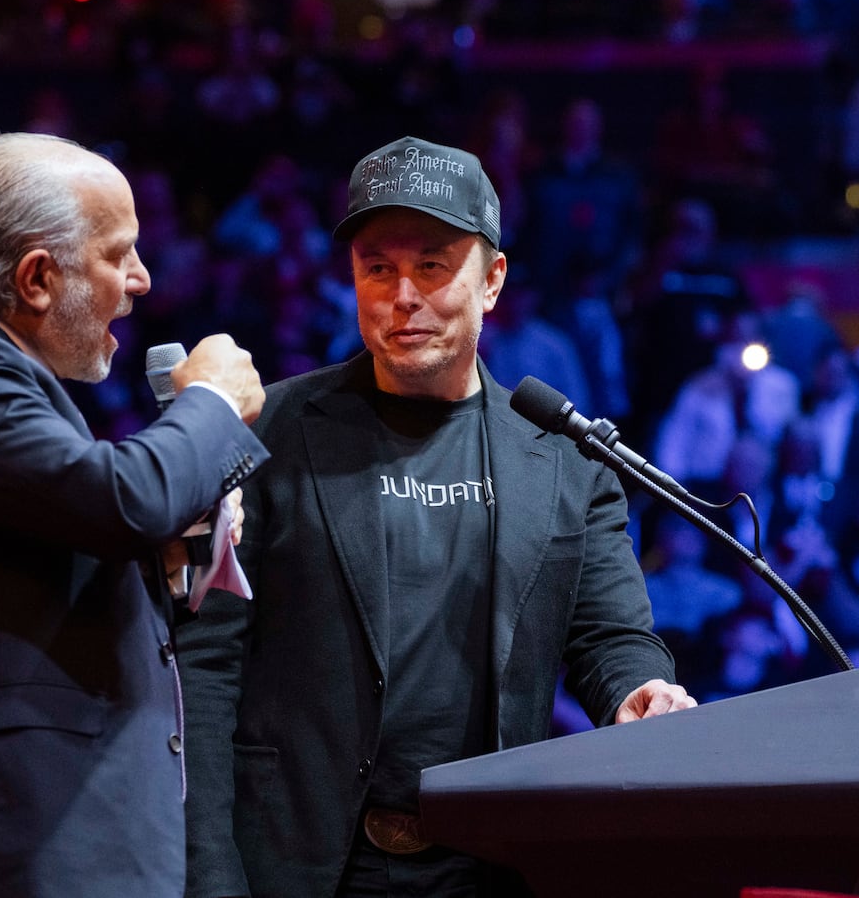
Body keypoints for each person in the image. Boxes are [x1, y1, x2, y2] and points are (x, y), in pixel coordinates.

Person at [180, 135, 694, 898]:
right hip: (299, 865)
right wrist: (213, 880)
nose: (402, 296)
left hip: (486, 865)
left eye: (431, 265)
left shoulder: (564, 455)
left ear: (491, 281)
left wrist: (638, 689)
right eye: (377, 268)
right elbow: (205, 665)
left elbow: (608, 633)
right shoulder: (266, 433)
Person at [0, 132, 269, 898]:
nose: (140, 280)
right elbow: (125, 500)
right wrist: (213, 402)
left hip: (42, 844)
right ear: (36, 277)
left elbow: (61, 559)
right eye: (119, 254)